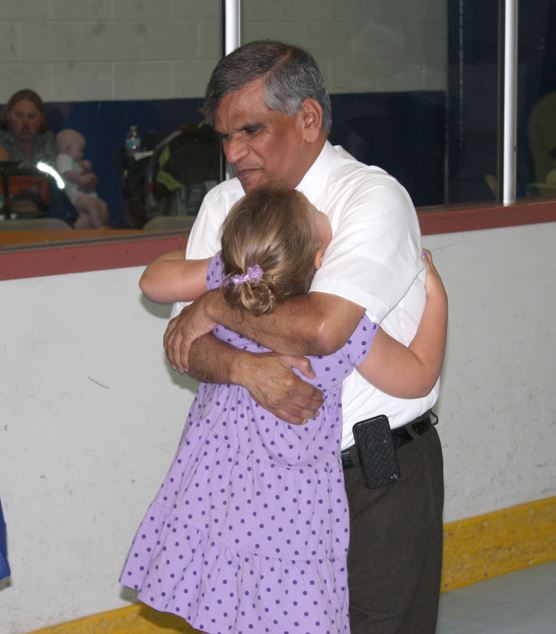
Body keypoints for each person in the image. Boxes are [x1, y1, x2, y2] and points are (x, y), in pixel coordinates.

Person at [160, 41, 445, 633]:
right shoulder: (223, 205)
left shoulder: (370, 198)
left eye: (251, 130)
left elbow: (323, 327)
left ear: (309, 118)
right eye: (224, 137)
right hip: (257, 487)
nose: (234, 152)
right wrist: (243, 368)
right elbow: (186, 344)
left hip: (373, 479)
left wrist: (215, 303)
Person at [121, 185, 447, 634]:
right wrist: (437, 301)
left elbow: (154, 280)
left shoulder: (224, 285)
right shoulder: (336, 331)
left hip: (217, 505)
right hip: (292, 522)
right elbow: (418, 375)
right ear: (319, 259)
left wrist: (214, 273)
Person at [0, 89, 86, 225]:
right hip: (14, 202)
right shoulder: (2, 143)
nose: (25, 123)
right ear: (8, 116)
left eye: (32, 116)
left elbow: (62, 174)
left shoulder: (49, 141)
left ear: (41, 118)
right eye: (19, 115)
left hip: (51, 197)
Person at [56, 129, 109, 228]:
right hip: (76, 196)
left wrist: (86, 168)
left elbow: (83, 174)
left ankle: (102, 224)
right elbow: (69, 174)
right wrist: (83, 180)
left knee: (103, 206)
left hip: (87, 194)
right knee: (91, 206)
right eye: (80, 150)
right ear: (68, 148)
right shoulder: (63, 158)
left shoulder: (74, 162)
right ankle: (99, 228)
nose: (82, 154)